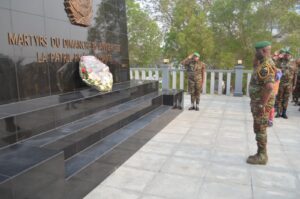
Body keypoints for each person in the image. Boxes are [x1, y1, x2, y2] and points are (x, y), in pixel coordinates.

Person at [247, 41, 275, 165]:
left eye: (256, 51)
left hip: (261, 103)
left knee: (260, 128)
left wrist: (262, 104)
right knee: (258, 127)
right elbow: (256, 69)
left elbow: (269, 87)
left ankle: (262, 156)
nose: (255, 53)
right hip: (258, 101)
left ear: (263, 51)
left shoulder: (266, 66)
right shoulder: (263, 63)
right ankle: (260, 153)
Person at [275, 48, 295, 119]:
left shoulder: (293, 63)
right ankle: (278, 112)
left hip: (289, 84)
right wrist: (278, 56)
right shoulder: (279, 61)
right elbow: (275, 68)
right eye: (286, 54)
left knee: (286, 98)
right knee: (279, 98)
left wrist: (294, 84)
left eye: (288, 55)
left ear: (290, 55)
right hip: (281, 83)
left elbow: (295, 74)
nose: (287, 56)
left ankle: (284, 113)